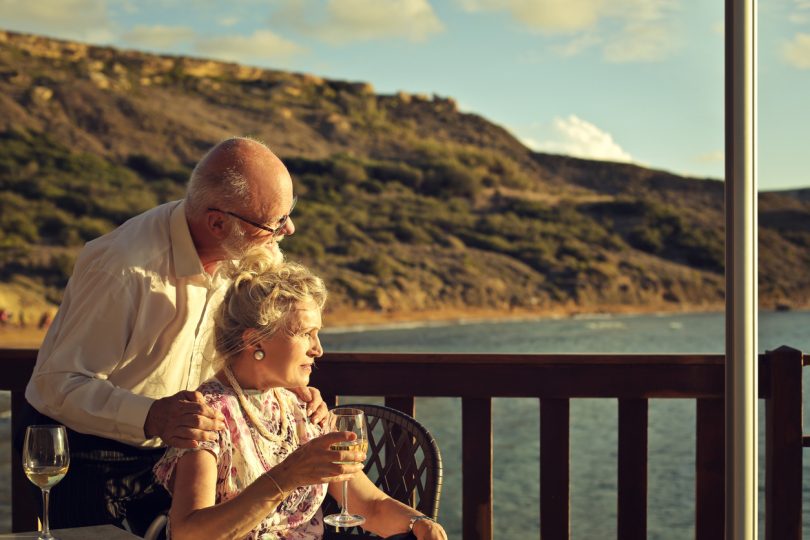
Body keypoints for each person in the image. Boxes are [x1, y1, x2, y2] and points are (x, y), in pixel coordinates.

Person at [20, 137, 328, 535]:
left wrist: (291, 391)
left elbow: (267, 334)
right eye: (274, 222)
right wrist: (151, 415)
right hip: (88, 455)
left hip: (178, 452)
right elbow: (56, 383)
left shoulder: (254, 249)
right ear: (218, 222)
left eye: (290, 212)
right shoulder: (123, 269)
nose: (288, 229)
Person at [153, 252, 447, 540]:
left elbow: (369, 506)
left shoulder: (302, 409)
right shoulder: (206, 415)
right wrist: (287, 476)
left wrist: (420, 523)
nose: (318, 349)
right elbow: (188, 534)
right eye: (306, 333)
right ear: (255, 340)